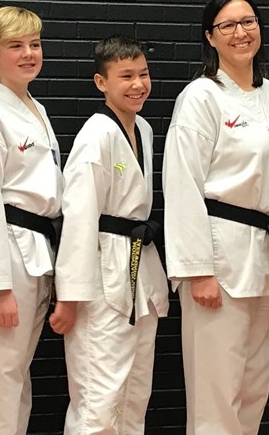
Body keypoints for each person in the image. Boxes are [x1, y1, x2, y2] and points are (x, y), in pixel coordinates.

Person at [162, 0, 269, 435]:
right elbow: (182, 185)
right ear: (210, 37)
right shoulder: (201, 97)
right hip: (221, 259)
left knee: (254, 385)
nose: (240, 32)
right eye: (228, 25)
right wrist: (197, 270)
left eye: (248, 22)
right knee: (217, 392)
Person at [50, 35, 169, 434]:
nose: (138, 84)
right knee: (99, 397)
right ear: (102, 82)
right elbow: (78, 217)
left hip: (138, 269)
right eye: (126, 76)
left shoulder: (145, 130)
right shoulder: (95, 135)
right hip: (102, 275)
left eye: (144, 74)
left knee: (135, 393)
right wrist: (69, 297)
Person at [0, 6, 63, 435]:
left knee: (17, 375)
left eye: (34, 44)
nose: (28, 54)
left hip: (38, 251)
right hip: (8, 254)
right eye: (15, 46)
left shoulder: (35, 108)